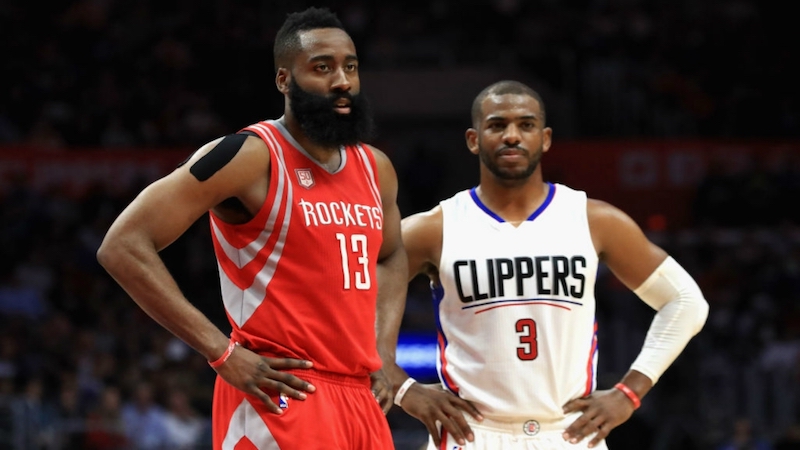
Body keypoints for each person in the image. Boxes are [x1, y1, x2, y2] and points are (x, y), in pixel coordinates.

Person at [97, 7, 407, 449]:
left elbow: (391, 254)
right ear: (284, 80)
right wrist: (220, 351)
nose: (342, 81)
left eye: (350, 67)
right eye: (322, 68)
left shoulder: (376, 168)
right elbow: (122, 244)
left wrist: (384, 351)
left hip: (360, 398)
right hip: (281, 393)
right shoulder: (248, 156)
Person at [377, 80, 709, 449]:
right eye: (497, 125)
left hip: (569, 432)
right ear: (473, 140)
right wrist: (402, 387)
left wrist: (629, 392)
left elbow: (686, 301)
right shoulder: (433, 228)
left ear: (546, 138)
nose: (512, 136)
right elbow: (346, 306)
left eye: (526, 125)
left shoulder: (595, 220)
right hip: (471, 434)